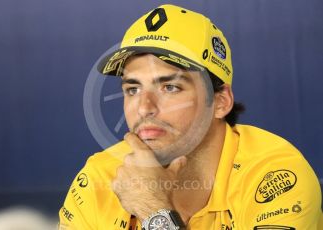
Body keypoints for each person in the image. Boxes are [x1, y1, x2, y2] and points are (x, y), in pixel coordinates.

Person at [59, 4, 322, 229]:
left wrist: (154, 212)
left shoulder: (275, 177)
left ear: (220, 102)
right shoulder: (98, 178)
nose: (143, 107)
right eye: (133, 89)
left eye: (170, 87)